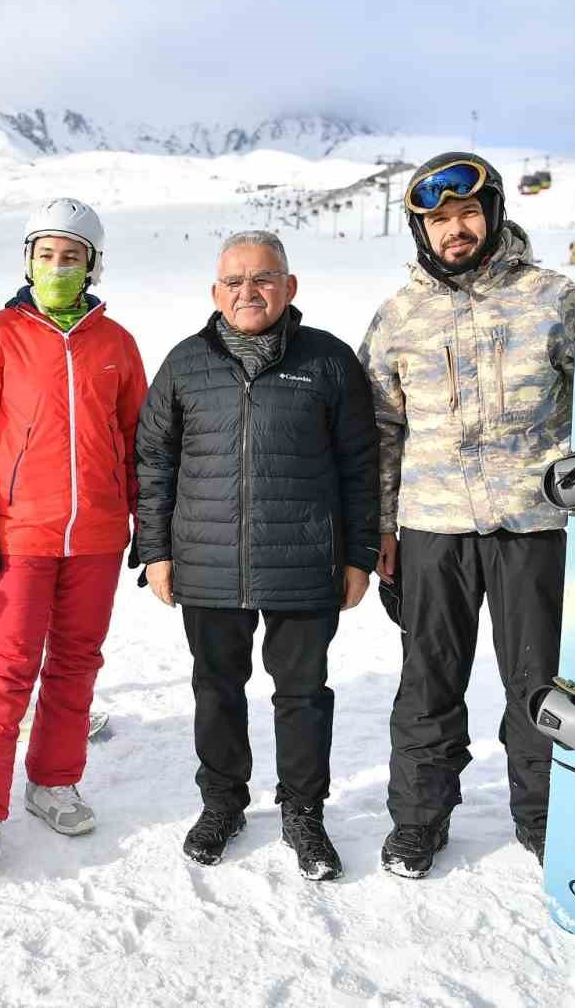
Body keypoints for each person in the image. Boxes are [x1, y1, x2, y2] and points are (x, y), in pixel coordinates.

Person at [358, 152, 575, 878]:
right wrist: (382, 529)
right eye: (438, 218)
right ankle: (419, 819)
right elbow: (381, 430)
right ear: (420, 229)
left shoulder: (554, 297)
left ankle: (545, 814)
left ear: (491, 214)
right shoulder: (398, 315)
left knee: (541, 683)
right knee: (427, 681)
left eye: (467, 213)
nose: (455, 229)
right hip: (433, 526)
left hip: (535, 524)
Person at [136, 230, 380, 880]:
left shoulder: (327, 361)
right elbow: (154, 461)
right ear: (216, 292)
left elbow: (361, 463)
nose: (249, 291)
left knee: (302, 693)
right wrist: (155, 550)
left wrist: (358, 552)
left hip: (304, 560)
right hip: (209, 561)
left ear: (289, 286)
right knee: (216, 688)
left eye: (264, 278)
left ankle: (303, 810)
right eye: (235, 281)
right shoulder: (187, 362)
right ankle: (222, 802)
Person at [0, 197, 146, 863]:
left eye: (71, 257)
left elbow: (136, 438)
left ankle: (54, 780)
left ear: (92, 264)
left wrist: (147, 517)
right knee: (6, 667)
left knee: (77, 662)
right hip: (17, 533)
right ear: (27, 259)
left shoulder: (115, 343)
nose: (57, 266)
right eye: (45, 254)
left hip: (95, 532)